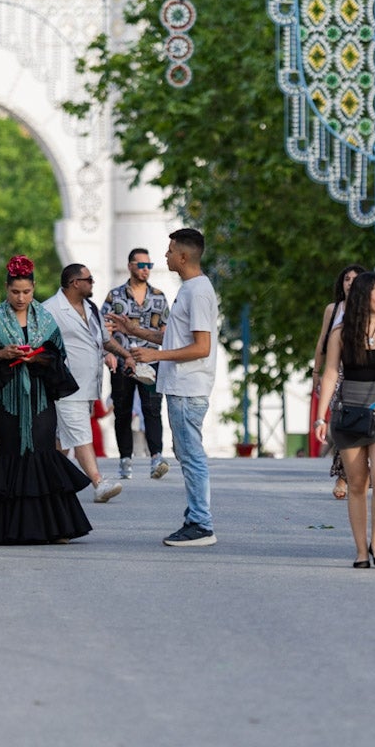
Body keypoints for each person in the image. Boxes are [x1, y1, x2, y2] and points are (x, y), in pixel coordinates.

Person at [0, 255, 93, 544]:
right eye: (15, 292)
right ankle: (3, 529)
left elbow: (58, 355)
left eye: (27, 292)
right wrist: (0, 354)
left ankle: (54, 528)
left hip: (40, 399)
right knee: (11, 454)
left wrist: (38, 357)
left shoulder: (45, 318)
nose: (21, 298)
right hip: (5, 401)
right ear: (6, 289)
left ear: (34, 289)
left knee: (42, 454)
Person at [314, 272, 375, 568]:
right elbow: (331, 373)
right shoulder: (340, 334)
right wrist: (321, 417)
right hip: (349, 410)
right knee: (357, 483)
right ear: (365, 297)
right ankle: (360, 549)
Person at [130, 229, 220, 547]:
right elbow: (174, 338)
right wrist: (135, 330)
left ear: (183, 256)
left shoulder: (197, 292)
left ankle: (200, 524)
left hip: (187, 386)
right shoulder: (191, 289)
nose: (165, 256)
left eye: (169, 251)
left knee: (191, 454)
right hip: (181, 386)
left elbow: (201, 347)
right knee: (186, 452)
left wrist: (156, 356)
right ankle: (196, 517)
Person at [44, 263, 136, 503]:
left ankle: (49, 483)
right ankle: (98, 482)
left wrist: (124, 354)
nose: (92, 283)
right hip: (65, 387)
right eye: (89, 279)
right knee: (81, 433)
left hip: (89, 387)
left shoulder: (91, 308)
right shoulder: (50, 310)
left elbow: (104, 341)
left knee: (63, 440)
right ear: (75, 282)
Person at [102, 248, 171, 481]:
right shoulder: (115, 296)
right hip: (123, 361)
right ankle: (125, 459)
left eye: (149, 266)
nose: (145, 270)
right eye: (141, 265)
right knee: (122, 410)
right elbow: (103, 329)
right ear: (130, 266)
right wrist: (108, 353)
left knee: (152, 408)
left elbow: (166, 330)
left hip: (150, 361)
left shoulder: (159, 297)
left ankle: (156, 457)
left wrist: (163, 355)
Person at [311, 263, 365, 500]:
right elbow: (322, 342)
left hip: (363, 372)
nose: (350, 282)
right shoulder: (333, 310)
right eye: (346, 278)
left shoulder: (369, 308)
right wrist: (316, 373)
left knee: (361, 424)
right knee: (341, 424)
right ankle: (343, 475)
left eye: (355, 278)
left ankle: (356, 472)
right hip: (337, 372)